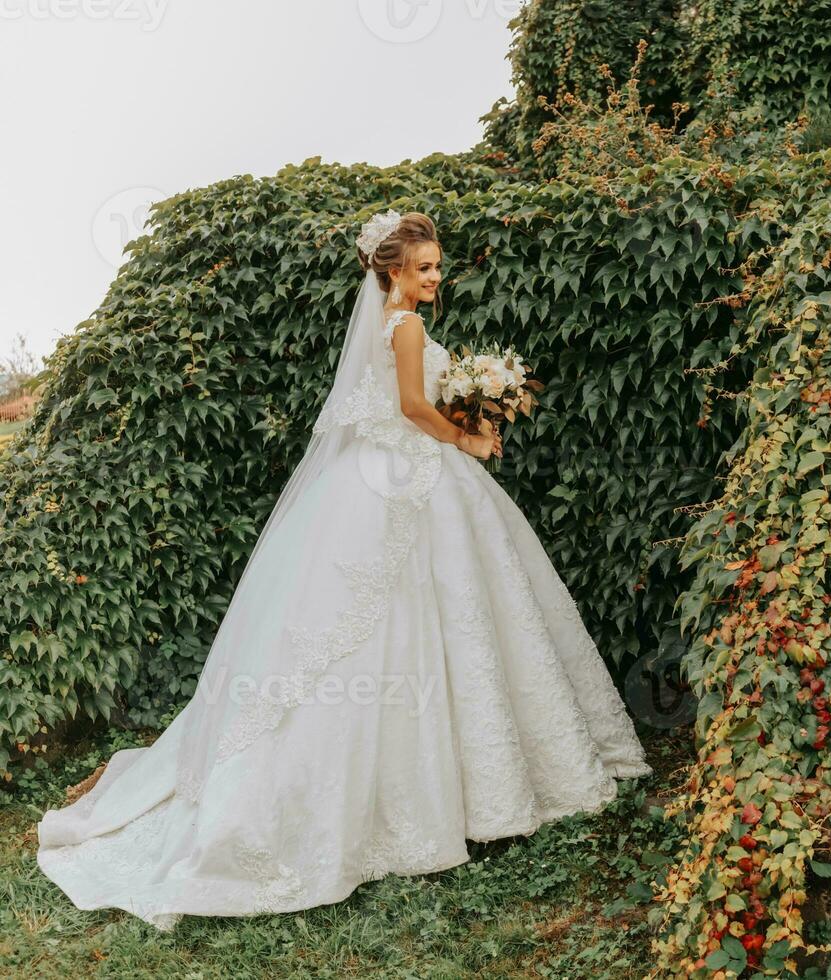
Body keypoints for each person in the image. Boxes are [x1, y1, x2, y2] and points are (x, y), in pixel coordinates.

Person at [35, 209, 653, 928]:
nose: (434, 276)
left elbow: (404, 404)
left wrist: (474, 414)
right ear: (392, 269)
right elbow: (416, 408)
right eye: (423, 267)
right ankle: (449, 797)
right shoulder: (409, 326)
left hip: (370, 476)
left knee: (371, 624)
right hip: (410, 475)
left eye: (437, 266)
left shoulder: (387, 324)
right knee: (425, 617)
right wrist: (471, 442)